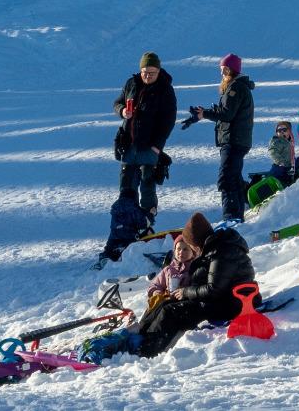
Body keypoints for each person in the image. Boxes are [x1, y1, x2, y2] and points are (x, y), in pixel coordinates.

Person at [82, 213, 258, 362]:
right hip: (220, 299)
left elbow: (214, 289)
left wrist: (185, 292)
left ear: (197, 243)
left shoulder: (222, 253)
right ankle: (138, 335)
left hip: (230, 304)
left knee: (170, 312)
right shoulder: (216, 249)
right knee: (163, 304)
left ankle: (145, 351)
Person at [101, 53, 177, 266]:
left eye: (151, 73)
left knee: (147, 182)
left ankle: (147, 224)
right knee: (126, 184)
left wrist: (157, 146)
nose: (148, 76)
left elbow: (168, 120)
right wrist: (122, 110)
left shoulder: (165, 89)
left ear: (159, 71)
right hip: (129, 145)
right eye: (145, 72)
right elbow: (117, 102)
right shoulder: (132, 83)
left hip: (149, 148)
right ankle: (127, 226)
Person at [191, 54, 255, 221]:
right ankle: (237, 215)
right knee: (234, 177)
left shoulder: (235, 88)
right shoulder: (238, 87)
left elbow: (227, 114)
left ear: (228, 70)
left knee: (227, 178)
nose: (221, 74)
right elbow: (226, 111)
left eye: (222, 70)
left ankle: (231, 218)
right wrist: (204, 113)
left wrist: (205, 113)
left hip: (234, 140)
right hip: (236, 140)